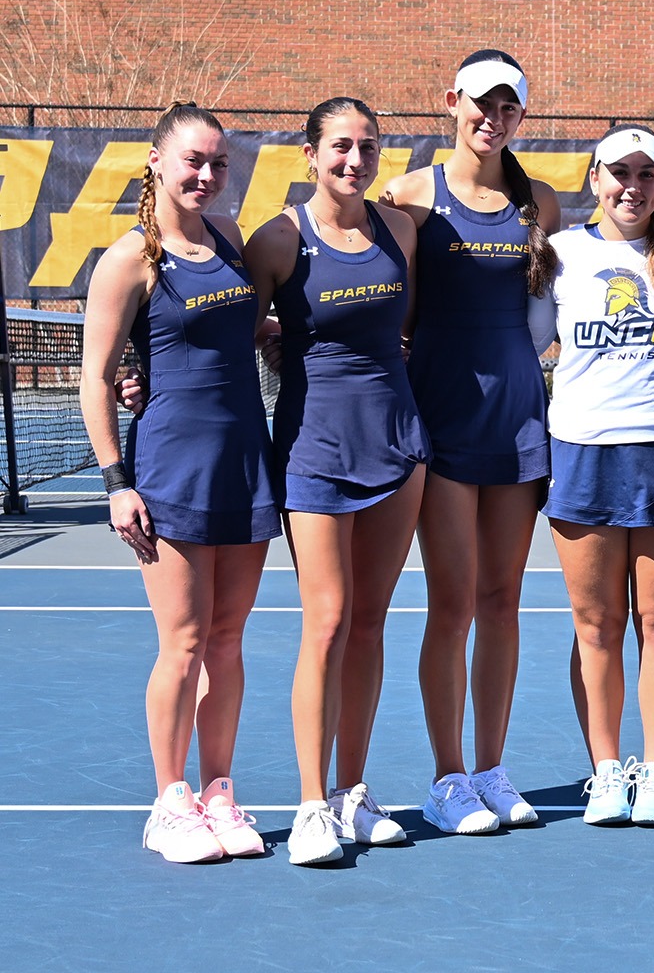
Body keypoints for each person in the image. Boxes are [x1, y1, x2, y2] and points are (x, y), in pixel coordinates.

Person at [80, 102, 278, 863]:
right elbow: (96, 379)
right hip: (170, 467)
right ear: (156, 162)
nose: (206, 175)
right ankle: (169, 801)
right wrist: (115, 483)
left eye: (218, 163)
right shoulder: (130, 258)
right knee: (185, 642)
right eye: (193, 160)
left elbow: (238, 334)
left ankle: (218, 792)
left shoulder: (228, 241)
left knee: (227, 642)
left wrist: (278, 334)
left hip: (245, 464)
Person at [381, 49, 560, 835]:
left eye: (509, 107)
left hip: (520, 421)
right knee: (452, 603)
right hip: (442, 419)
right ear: (450, 101)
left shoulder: (541, 203)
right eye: (480, 103)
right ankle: (447, 776)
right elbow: (380, 302)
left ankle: (492, 768)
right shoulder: (411, 197)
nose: (493, 118)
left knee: (503, 602)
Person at [247, 98, 430, 865]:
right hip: (314, 449)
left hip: (398, 441)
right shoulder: (279, 240)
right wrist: (140, 384)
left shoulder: (403, 229)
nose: (355, 161)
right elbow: (233, 334)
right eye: (340, 147)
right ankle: (312, 803)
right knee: (324, 623)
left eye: (368, 147)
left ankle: (355, 793)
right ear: (310, 154)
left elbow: (408, 326)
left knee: (368, 624)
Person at [530, 127, 654, 829]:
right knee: (596, 625)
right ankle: (607, 770)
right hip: (583, 453)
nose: (631, 186)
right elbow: (523, 343)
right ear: (594, 177)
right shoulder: (560, 256)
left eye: (647, 174)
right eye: (619, 172)